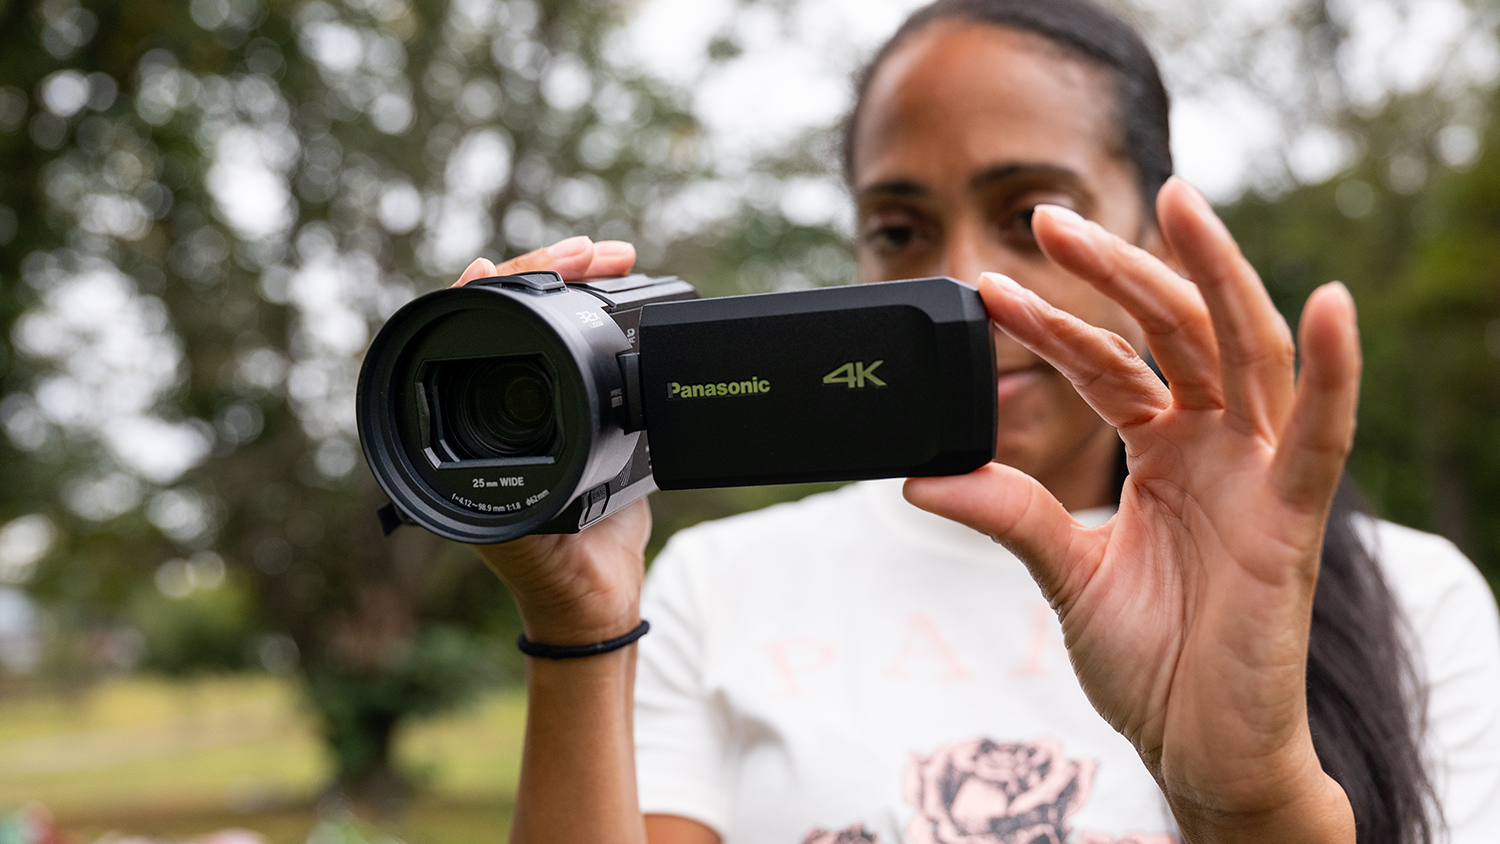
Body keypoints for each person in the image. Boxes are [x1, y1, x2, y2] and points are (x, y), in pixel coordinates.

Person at [451, 1, 1500, 842]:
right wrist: (579, 622)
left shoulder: (1416, 602)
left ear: (1155, 239)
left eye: (1032, 218)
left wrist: (1254, 808)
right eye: (899, 228)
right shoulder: (713, 586)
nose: (965, 282)